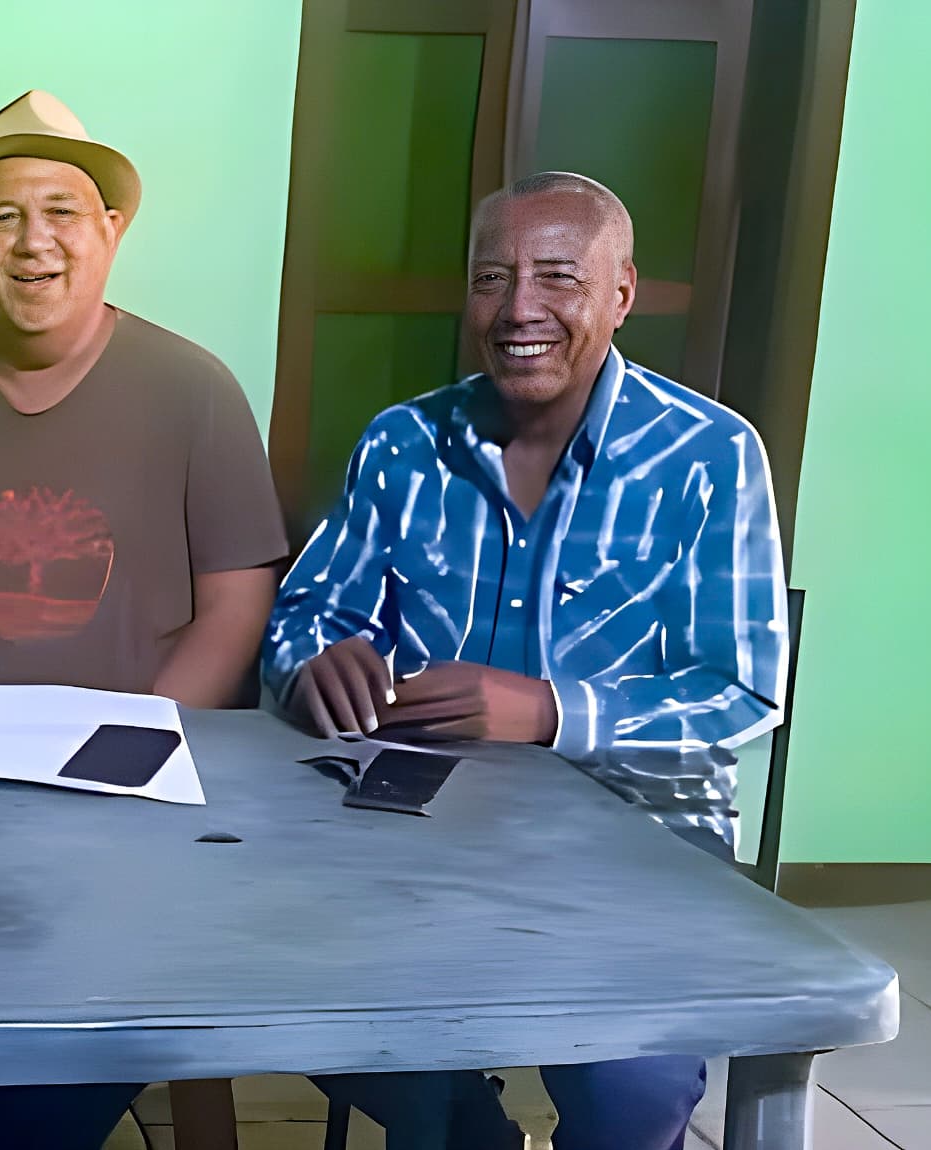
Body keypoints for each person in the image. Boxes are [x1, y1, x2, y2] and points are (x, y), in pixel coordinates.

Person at [262, 172, 789, 1150]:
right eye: (491, 278)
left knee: (632, 1089)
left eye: (557, 277)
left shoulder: (708, 454)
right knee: (293, 989)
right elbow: (307, 610)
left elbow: (742, 689)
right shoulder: (401, 443)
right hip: (413, 821)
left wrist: (546, 711)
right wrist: (313, 658)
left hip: (633, 835)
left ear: (621, 294)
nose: (518, 310)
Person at [0, 90, 288, 1148]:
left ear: (110, 232)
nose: (34, 243)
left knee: (56, 1057)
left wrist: (133, 741)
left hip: (141, 790)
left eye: (62, 213)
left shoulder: (193, 388)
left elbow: (236, 599)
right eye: (2, 218)